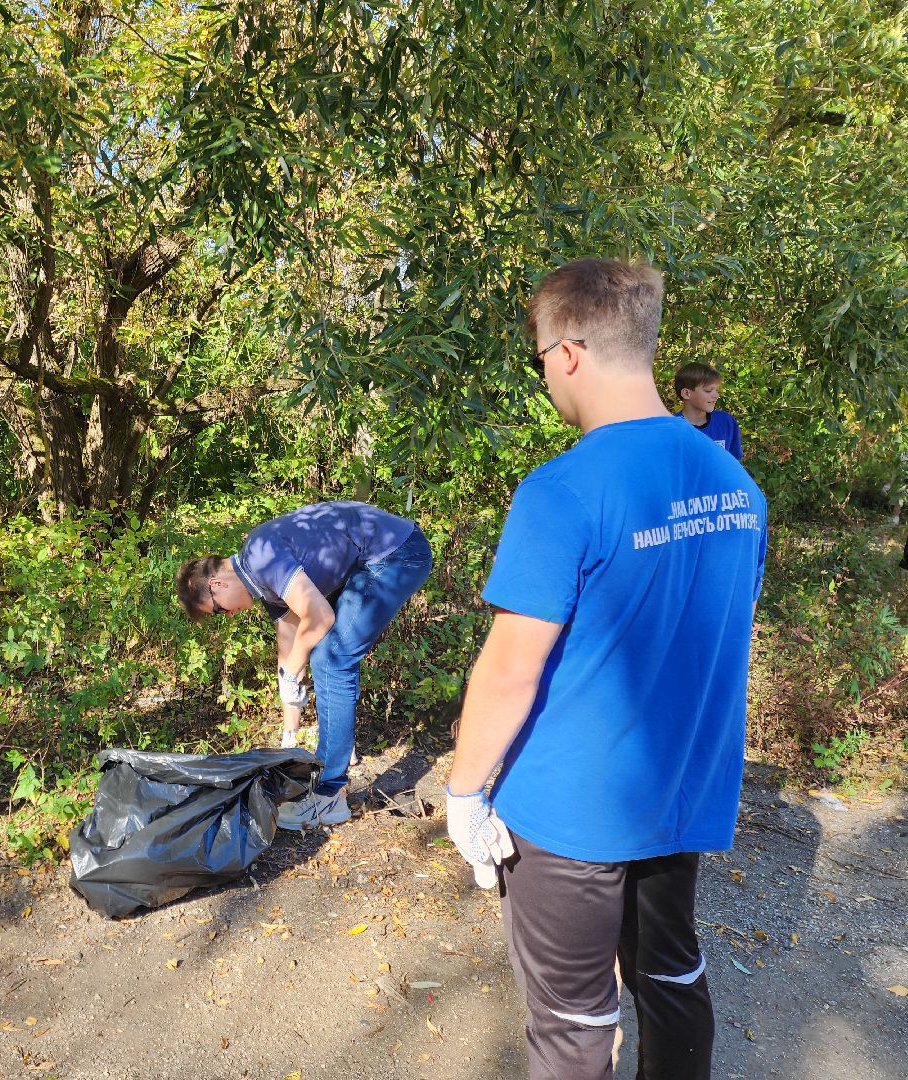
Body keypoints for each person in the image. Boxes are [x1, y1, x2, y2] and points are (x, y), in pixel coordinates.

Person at [445, 260, 767, 1079]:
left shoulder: (562, 491)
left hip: (568, 817)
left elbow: (511, 671)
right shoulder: (737, 487)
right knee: (671, 976)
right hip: (678, 796)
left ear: (569, 352)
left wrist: (464, 791)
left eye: (540, 360)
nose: (546, 377)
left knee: (572, 1023)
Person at [175, 501, 433, 830]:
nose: (228, 616)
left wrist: (296, 665)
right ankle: (337, 748)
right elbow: (290, 638)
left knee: (331, 657)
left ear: (216, 585)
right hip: (378, 557)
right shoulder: (261, 580)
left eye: (219, 611)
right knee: (326, 653)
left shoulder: (262, 556)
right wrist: (290, 733)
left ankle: (329, 796)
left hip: (397, 553)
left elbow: (320, 618)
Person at [674, 361, 743, 459]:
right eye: (708, 390)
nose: (716, 395)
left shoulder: (726, 422)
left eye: (717, 390)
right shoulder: (672, 429)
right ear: (686, 393)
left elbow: (734, 464)